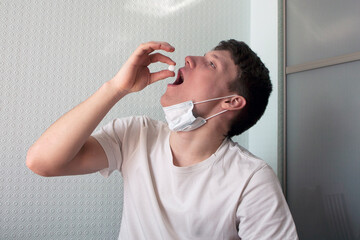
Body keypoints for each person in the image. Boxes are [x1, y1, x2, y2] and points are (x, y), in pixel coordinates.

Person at [27, 40, 298, 239]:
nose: (190, 58)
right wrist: (116, 88)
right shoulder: (136, 135)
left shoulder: (251, 179)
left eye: (211, 63)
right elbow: (42, 162)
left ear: (230, 102)